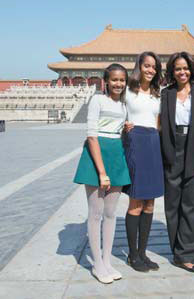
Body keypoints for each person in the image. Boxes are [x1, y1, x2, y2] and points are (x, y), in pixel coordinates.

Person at [73, 63, 131, 284]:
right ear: (106, 81)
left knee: (111, 213)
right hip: (96, 157)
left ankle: (107, 261)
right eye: (114, 79)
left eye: (122, 80)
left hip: (116, 155)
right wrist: (102, 172)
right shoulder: (97, 100)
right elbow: (92, 135)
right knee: (95, 213)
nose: (118, 84)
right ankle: (97, 263)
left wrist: (127, 128)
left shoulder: (123, 105)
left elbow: (117, 131)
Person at [160, 51, 194, 273]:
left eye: (185, 68)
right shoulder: (166, 93)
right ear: (172, 71)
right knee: (172, 203)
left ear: (192, 70)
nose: (182, 72)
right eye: (178, 68)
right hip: (171, 146)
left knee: (193, 203)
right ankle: (176, 251)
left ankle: (189, 254)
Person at [122, 51, 164, 272]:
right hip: (136, 142)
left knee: (150, 203)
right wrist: (124, 127)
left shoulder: (158, 93)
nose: (150, 70)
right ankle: (132, 254)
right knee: (137, 201)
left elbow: (158, 122)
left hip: (153, 143)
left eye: (154, 67)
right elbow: (117, 116)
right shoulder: (128, 90)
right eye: (147, 65)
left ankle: (143, 253)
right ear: (139, 66)